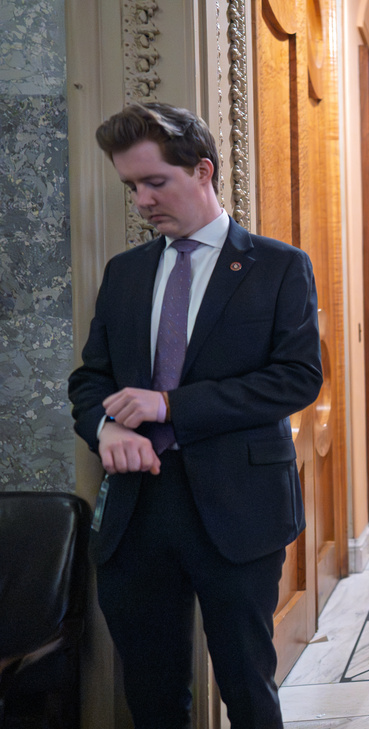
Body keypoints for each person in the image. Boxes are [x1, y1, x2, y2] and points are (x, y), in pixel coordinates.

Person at [68, 102, 322, 728]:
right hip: (137, 511)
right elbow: (90, 380)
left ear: (203, 171)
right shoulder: (126, 273)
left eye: (155, 182)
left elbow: (297, 378)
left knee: (248, 688)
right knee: (152, 698)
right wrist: (107, 427)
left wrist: (170, 405)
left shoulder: (278, 266)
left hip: (239, 508)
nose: (142, 201)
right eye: (132, 187)